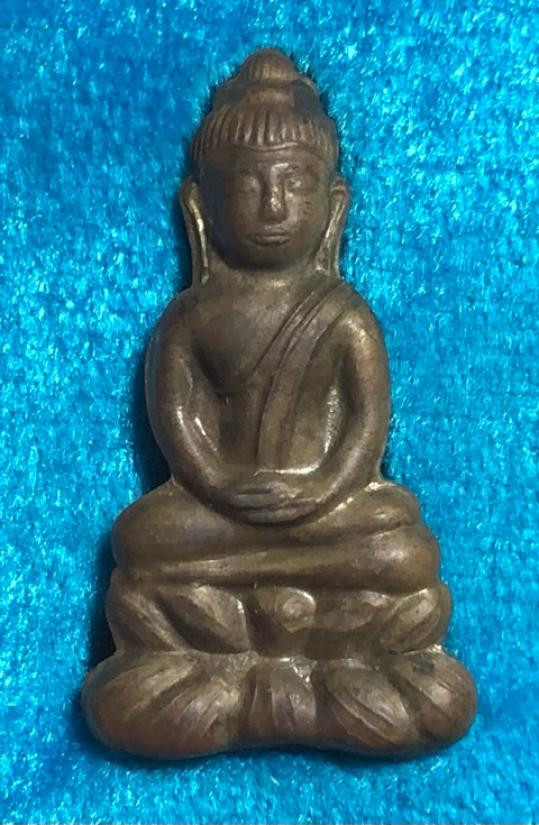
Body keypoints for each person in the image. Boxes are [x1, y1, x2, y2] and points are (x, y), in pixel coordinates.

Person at [83, 48, 476, 759]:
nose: (272, 207)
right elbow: (178, 423)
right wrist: (222, 486)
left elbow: (364, 426)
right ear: (200, 208)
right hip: (219, 514)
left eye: (295, 183)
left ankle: (217, 677)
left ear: (333, 205)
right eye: (247, 187)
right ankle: (337, 677)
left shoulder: (346, 315)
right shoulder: (190, 318)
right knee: (143, 538)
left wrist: (322, 490)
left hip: (329, 513)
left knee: (400, 547)